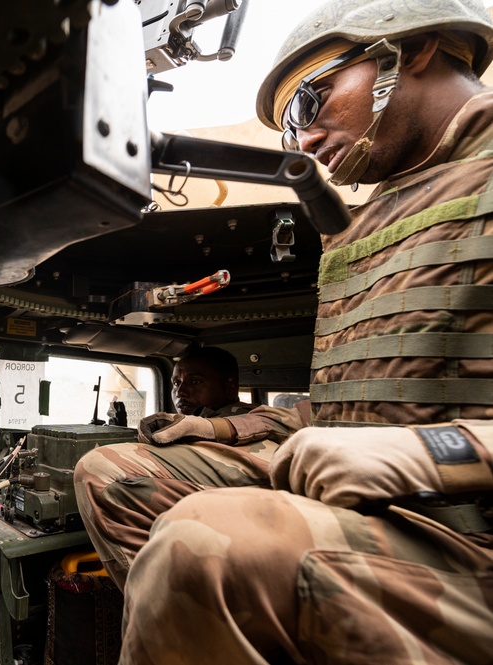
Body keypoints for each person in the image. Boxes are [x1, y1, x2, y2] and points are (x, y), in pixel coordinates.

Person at [118, 0, 493, 662]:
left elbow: (400, 438)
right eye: (291, 127)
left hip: (467, 539)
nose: (304, 140)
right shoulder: (366, 223)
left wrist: (421, 451)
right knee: (115, 476)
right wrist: (218, 429)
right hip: (381, 515)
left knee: (202, 540)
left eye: (309, 102)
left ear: (414, 49)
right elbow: (346, 403)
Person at [73, 345, 258, 588]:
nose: (181, 390)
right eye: (175, 383)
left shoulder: (246, 423)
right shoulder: (188, 424)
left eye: (195, 381)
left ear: (230, 387)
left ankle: (150, 601)